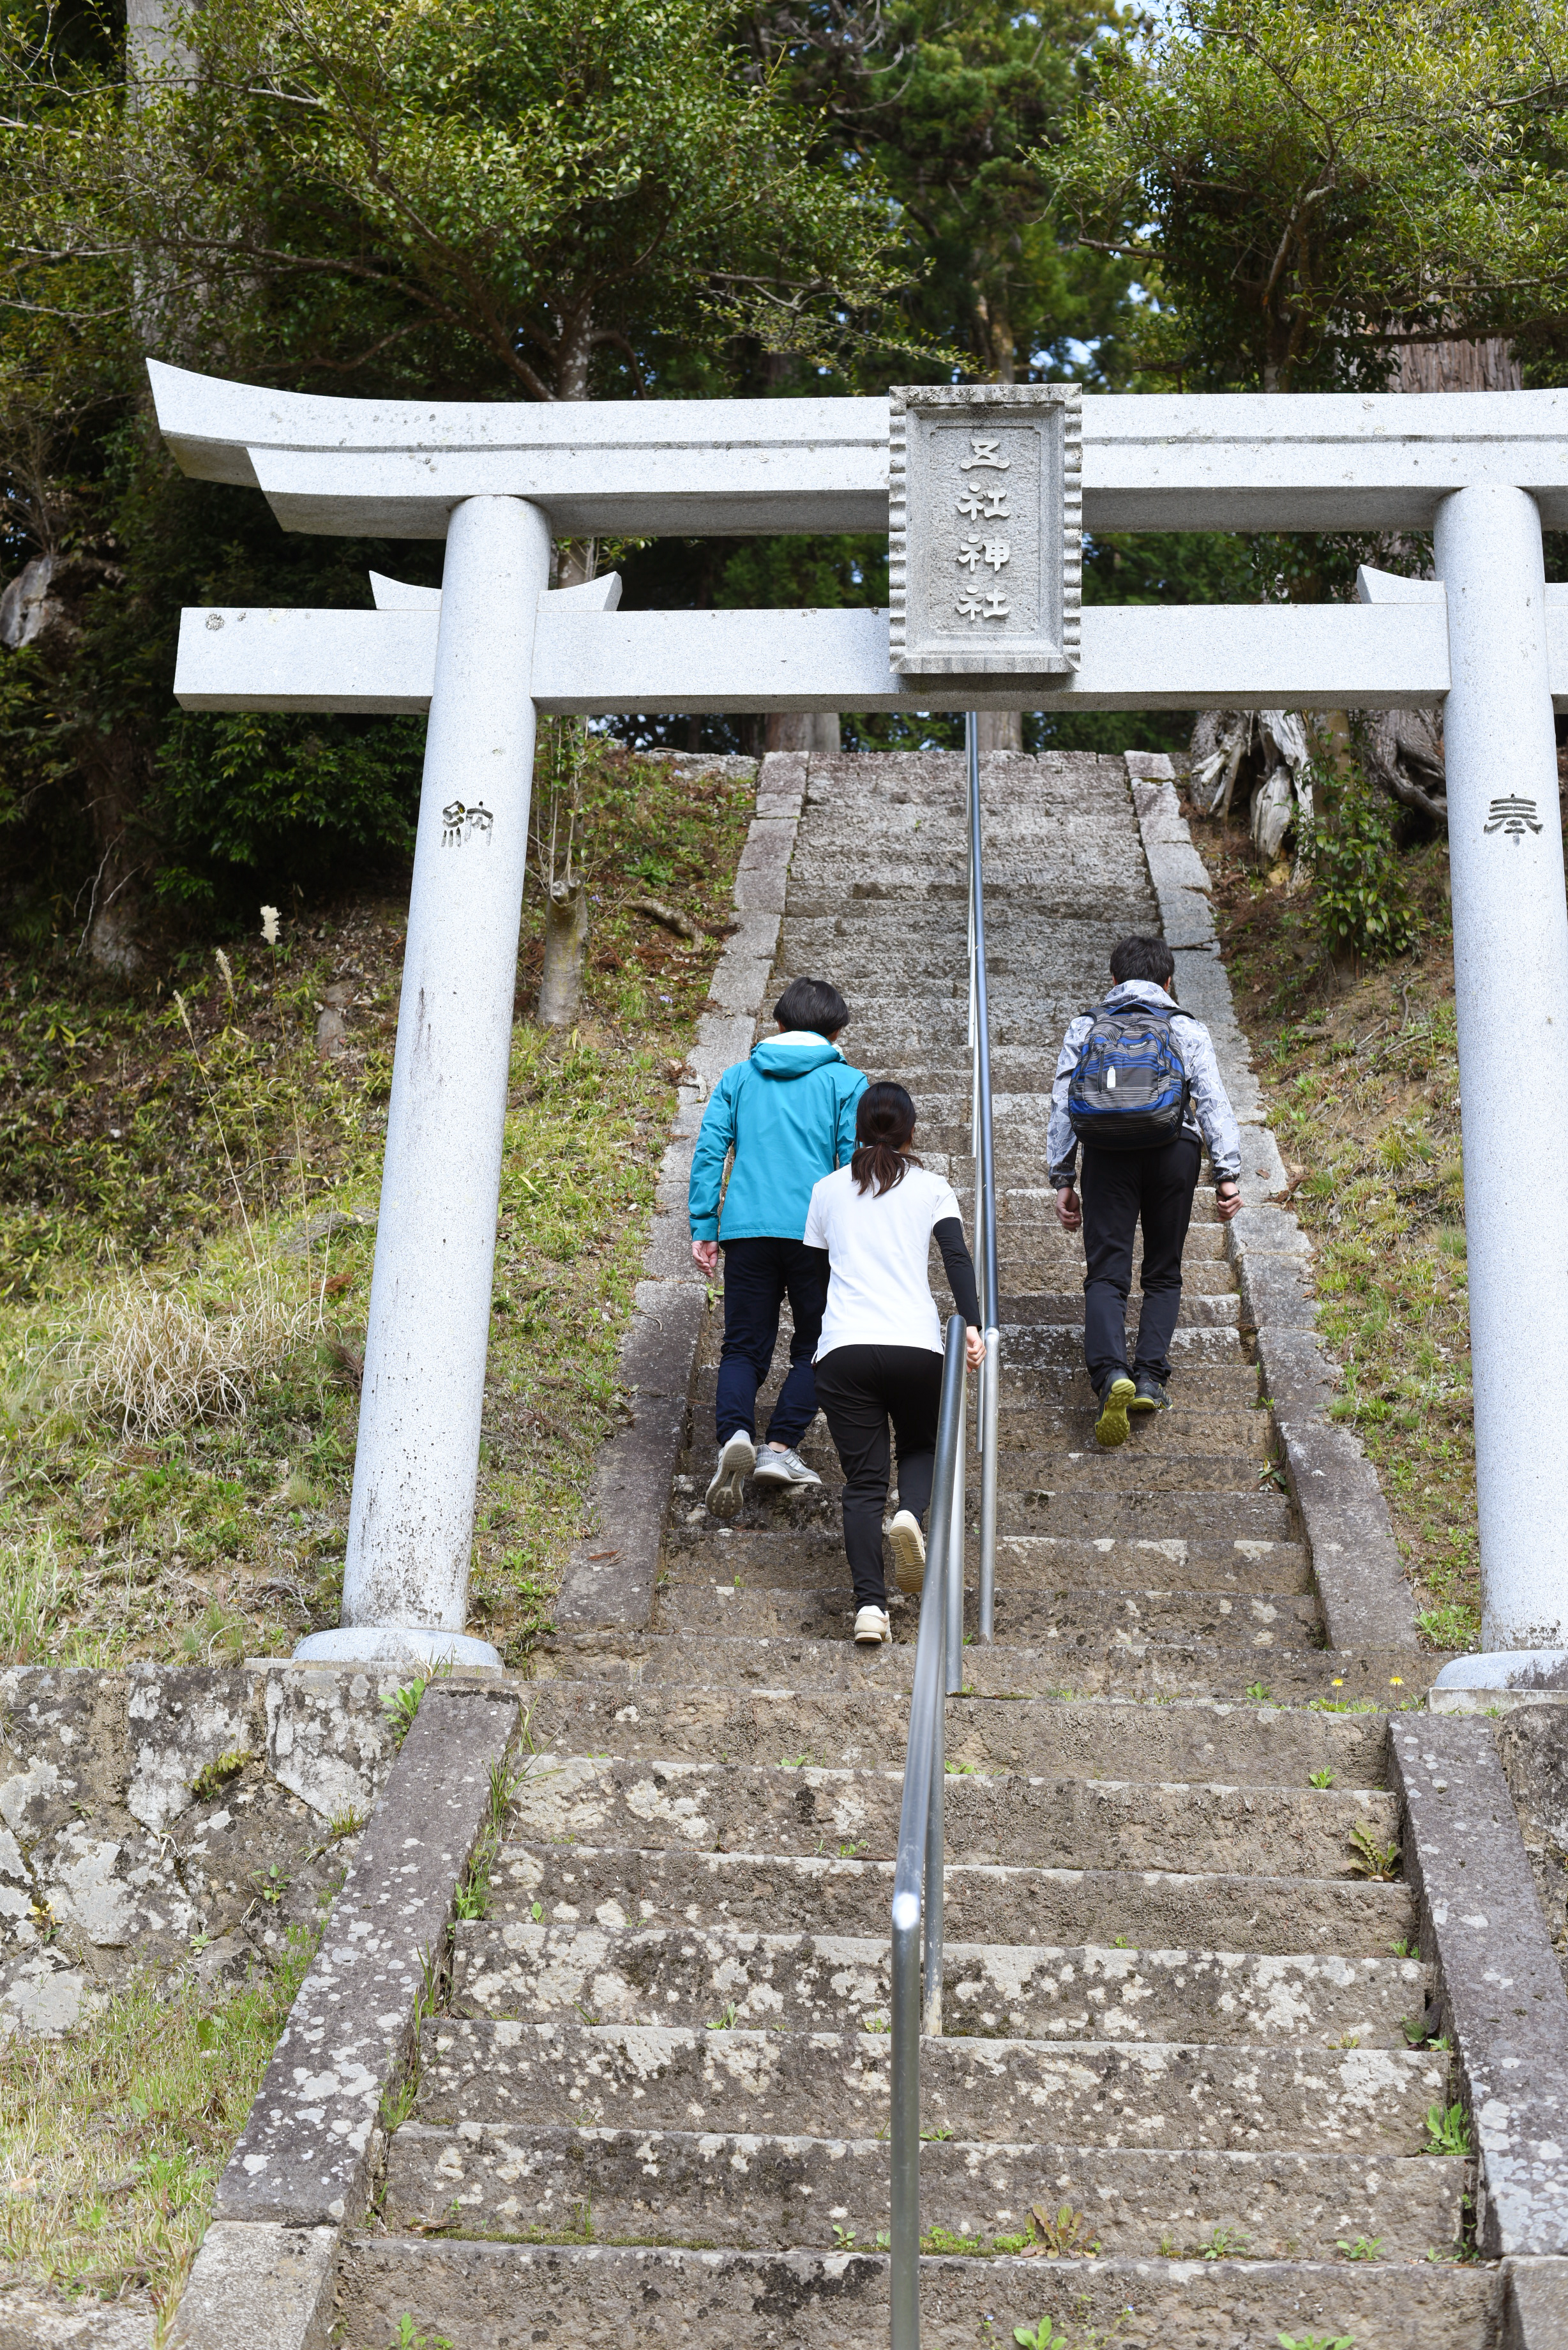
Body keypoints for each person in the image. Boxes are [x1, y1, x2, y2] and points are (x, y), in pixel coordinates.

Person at [804, 1083, 986, 1647]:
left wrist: (820, 1343)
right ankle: (910, 1514)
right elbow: (955, 1255)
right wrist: (973, 1324)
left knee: (862, 1483)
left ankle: (869, 1609)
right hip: (914, 1345)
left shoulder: (828, 1190)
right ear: (912, 1132)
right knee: (922, 1446)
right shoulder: (932, 1187)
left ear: (858, 1129)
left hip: (845, 1351)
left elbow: (812, 1284)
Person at [1048, 934, 1242, 1450]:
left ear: (1113, 982)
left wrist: (1063, 1177)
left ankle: (1112, 1374)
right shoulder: (1184, 1026)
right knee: (1163, 1269)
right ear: (1168, 982)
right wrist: (1227, 1172)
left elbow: (1065, 1104)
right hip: (1173, 1146)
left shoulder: (1087, 1025)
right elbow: (1212, 1099)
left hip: (1107, 1152)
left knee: (1107, 1272)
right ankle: (1151, 1378)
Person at [690, 976, 868, 1513]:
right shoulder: (846, 1082)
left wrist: (704, 1225)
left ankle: (735, 1437)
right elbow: (851, 1163)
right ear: (836, 1031)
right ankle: (780, 1447)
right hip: (817, 1234)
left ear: (779, 1023)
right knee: (820, 1344)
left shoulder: (739, 1077)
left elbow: (710, 1148)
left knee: (743, 1346)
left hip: (746, 1230)